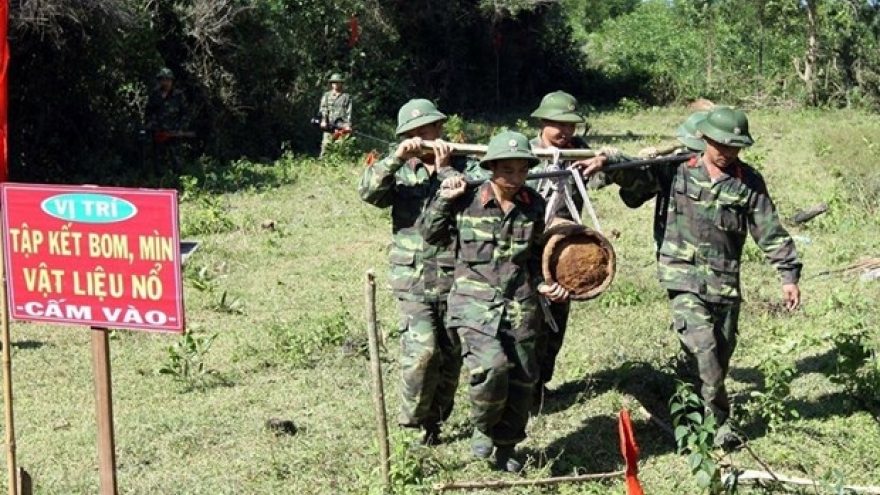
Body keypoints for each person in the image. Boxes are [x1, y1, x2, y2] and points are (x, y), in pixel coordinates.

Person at [596, 106, 803, 449]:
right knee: (704, 347)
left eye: (735, 147)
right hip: (683, 277)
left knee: (718, 358)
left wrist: (788, 274)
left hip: (724, 283)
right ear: (704, 138)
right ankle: (718, 425)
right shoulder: (675, 171)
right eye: (721, 145)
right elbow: (635, 177)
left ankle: (691, 400)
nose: (727, 153)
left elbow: (770, 231)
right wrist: (610, 159)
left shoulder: (749, 183)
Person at [420, 130, 569, 472]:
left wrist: (547, 284)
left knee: (523, 381)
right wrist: (444, 197)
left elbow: (533, 258)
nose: (516, 179)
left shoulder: (534, 204)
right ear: (491, 169)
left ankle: (506, 449)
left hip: (520, 304)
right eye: (508, 171)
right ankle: (483, 426)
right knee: (492, 367)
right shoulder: (466, 197)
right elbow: (430, 234)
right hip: (474, 302)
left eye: (522, 170)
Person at [359, 99, 481, 446]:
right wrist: (396, 157)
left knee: (450, 354)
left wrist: (444, 169)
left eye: (426, 131)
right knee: (421, 351)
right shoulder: (399, 168)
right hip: (411, 278)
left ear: (440, 130)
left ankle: (435, 422)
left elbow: (478, 197)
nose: (420, 139)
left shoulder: (466, 166)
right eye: (412, 134)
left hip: (456, 275)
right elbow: (368, 192)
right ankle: (411, 428)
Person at [527, 90, 621, 401]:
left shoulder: (579, 153)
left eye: (571, 126)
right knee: (527, 321)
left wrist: (605, 159)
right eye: (559, 125)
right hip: (526, 245)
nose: (566, 133)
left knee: (557, 318)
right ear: (543, 121)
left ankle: (542, 384)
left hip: (566, 249)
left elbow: (616, 164)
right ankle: (522, 388)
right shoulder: (525, 154)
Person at [144, 67, 191, 176]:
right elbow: (149, 112)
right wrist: (151, 125)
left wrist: (181, 128)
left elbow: (186, 113)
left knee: (176, 160)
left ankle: (177, 182)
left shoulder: (178, 95)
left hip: (174, 133)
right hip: (158, 132)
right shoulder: (154, 95)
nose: (165, 82)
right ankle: (159, 183)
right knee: (158, 160)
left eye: (168, 80)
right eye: (163, 80)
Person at [318, 73, 353, 157]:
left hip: (341, 126)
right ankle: (322, 165)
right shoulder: (326, 95)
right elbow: (323, 109)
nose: (335, 84)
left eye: (337, 82)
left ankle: (338, 166)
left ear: (341, 83)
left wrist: (348, 125)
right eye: (333, 82)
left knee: (340, 146)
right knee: (326, 145)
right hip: (329, 125)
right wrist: (323, 120)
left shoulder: (346, 97)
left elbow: (349, 112)